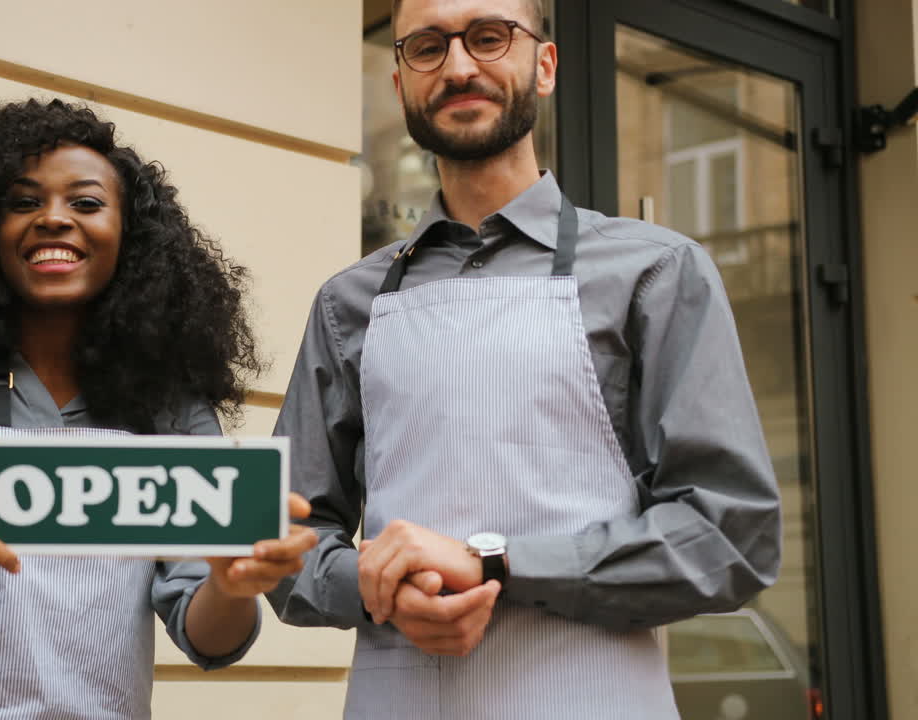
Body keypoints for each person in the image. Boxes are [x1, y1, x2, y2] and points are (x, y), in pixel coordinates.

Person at [267, 0, 782, 717]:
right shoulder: (345, 303)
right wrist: (374, 585)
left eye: (489, 37)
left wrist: (496, 564)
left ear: (544, 65)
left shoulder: (656, 273)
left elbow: (730, 536)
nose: (458, 66)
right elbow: (284, 537)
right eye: (427, 47)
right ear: (400, 84)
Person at [0, 98, 317, 720]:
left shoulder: (170, 404)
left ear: (130, 237)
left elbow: (210, 641)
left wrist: (231, 585)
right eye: (23, 202)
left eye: (86, 203)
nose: (54, 219)